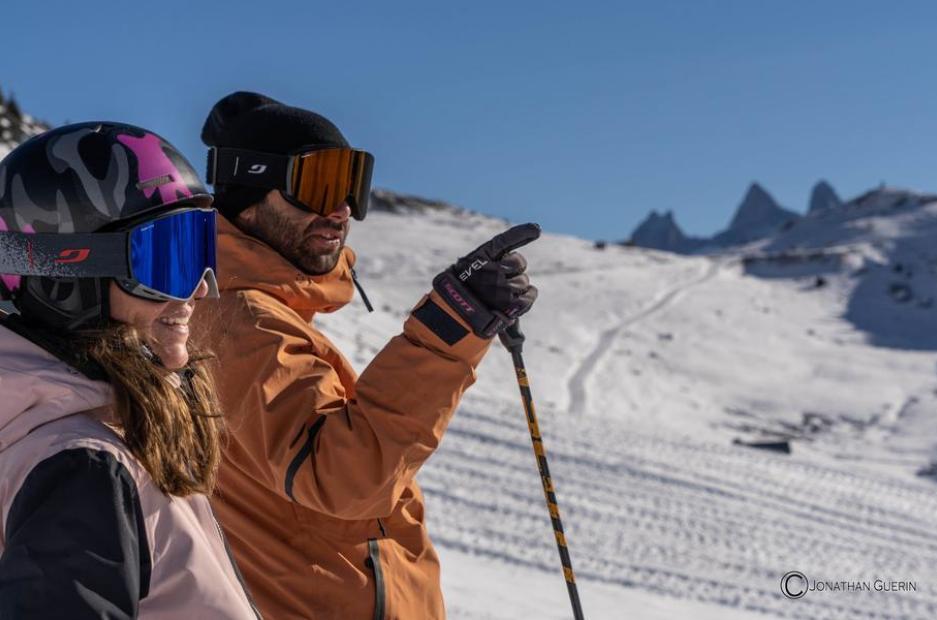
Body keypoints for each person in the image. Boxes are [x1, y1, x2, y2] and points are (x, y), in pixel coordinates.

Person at [192, 91, 539, 619]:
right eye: (317, 185)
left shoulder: (248, 311)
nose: (341, 209)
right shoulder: (244, 324)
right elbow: (343, 476)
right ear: (249, 192)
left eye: (352, 185)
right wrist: (452, 324)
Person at [0, 122, 260, 619]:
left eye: (200, 252)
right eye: (166, 260)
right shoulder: (82, 467)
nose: (198, 290)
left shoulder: (71, 438)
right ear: (66, 277)